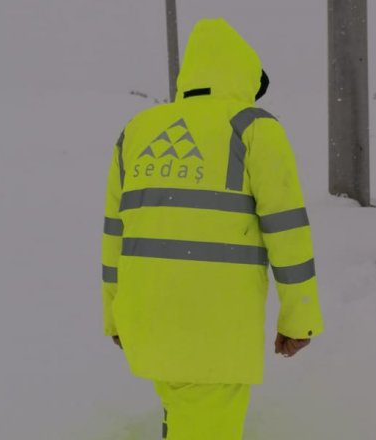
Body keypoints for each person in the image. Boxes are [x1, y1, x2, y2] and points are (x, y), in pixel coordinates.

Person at [100, 18, 323, 440]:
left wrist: (114, 315)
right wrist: (300, 317)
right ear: (246, 76)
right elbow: (287, 230)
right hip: (215, 324)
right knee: (205, 426)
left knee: (184, 412)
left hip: (145, 314)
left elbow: (116, 233)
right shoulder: (253, 127)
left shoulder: (137, 130)